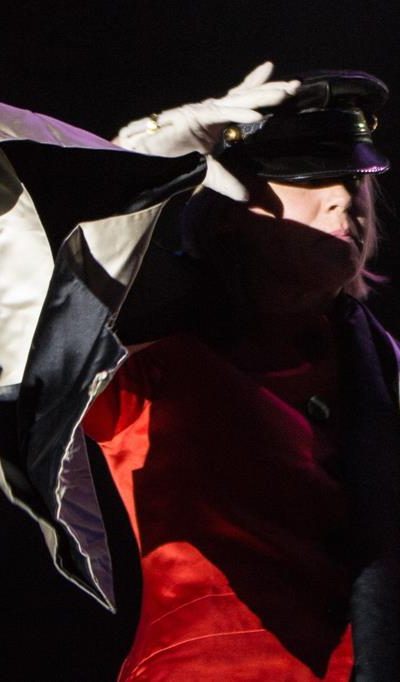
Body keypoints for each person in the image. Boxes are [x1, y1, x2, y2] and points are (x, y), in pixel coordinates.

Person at [0, 63, 399, 681]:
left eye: (352, 178)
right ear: (230, 208)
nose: (344, 198)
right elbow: (34, 288)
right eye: (308, 177)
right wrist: (137, 162)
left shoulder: (380, 365)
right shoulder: (146, 355)